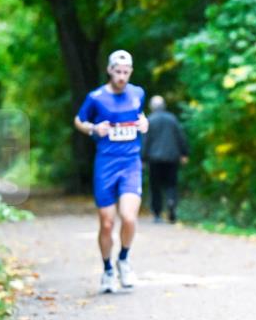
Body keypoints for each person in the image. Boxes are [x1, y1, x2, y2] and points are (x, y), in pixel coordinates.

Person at [73, 50, 149, 294]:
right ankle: (107, 269)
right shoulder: (96, 97)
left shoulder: (137, 93)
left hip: (130, 163)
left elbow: (140, 116)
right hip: (106, 164)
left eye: (126, 72)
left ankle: (123, 259)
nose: (122, 77)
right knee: (106, 223)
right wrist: (94, 128)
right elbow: (79, 120)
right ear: (109, 70)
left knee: (128, 217)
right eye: (118, 72)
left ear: (131, 72)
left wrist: (144, 123)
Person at [141, 95, 189, 223]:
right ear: (164, 106)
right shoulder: (172, 119)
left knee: (155, 186)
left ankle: (157, 214)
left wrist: (142, 159)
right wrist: (184, 154)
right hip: (172, 158)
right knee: (171, 184)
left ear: (152, 107)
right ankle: (171, 202)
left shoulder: (149, 120)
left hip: (154, 159)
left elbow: (145, 141)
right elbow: (181, 137)